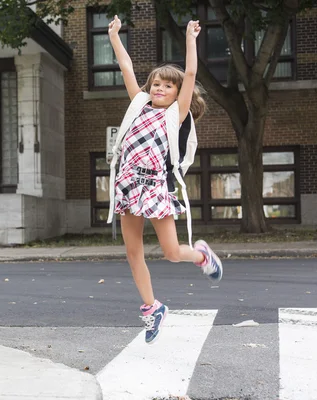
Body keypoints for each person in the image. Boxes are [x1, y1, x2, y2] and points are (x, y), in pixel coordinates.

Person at [106, 16, 223, 344]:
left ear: (176, 94)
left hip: (155, 186)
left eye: (167, 85)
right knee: (132, 251)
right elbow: (127, 68)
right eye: (155, 83)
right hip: (130, 185)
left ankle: (201, 256)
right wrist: (115, 37)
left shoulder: (176, 114)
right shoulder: (138, 106)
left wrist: (190, 39)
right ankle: (152, 306)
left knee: (172, 252)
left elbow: (190, 74)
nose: (159, 88)